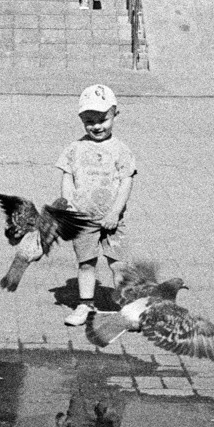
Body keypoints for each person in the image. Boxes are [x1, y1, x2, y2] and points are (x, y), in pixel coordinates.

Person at [58, 83, 136, 328]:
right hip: (83, 218)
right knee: (86, 262)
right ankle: (85, 303)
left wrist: (114, 212)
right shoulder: (75, 148)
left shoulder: (121, 151)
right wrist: (67, 205)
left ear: (115, 115)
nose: (96, 126)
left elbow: (126, 182)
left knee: (119, 264)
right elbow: (67, 176)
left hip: (112, 220)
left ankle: (127, 308)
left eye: (102, 119)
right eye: (89, 121)